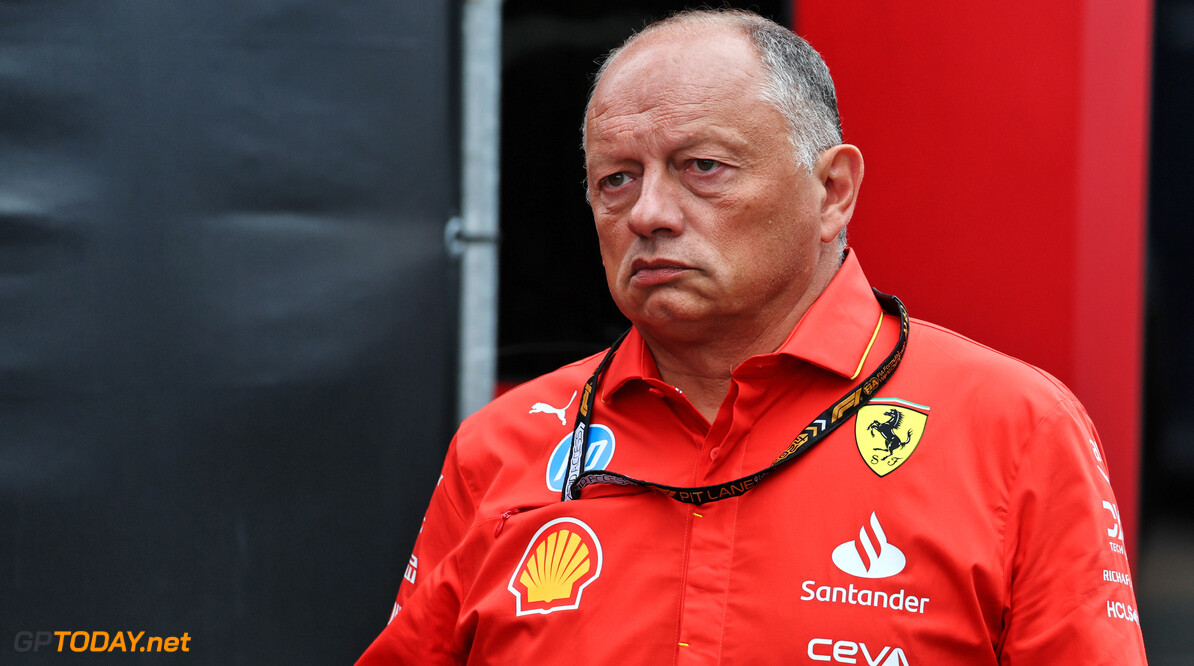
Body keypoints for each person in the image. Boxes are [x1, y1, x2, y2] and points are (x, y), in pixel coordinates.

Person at [359, 9, 1147, 664]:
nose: (649, 215)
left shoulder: (1015, 431)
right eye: (616, 179)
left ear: (832, 190)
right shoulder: (502, 448)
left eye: (702, 166)